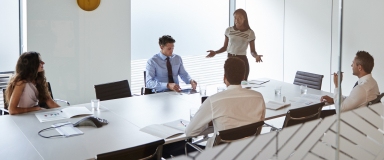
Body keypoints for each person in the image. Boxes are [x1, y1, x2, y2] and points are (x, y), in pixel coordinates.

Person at [185, 57, 266, 148]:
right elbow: (259, 124)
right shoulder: (258, 97)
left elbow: (190, 132)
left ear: (224, 78)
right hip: (248, 151)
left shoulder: (213, 101)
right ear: (243, 77)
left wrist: (210, 122)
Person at [206, 8, 263, 80]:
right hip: (230, 59)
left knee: (243, 84)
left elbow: (252, 51)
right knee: (229, 82)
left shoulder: (250, 33)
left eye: (239, 18)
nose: (236, 20)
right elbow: (225, 47)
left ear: (244, 18)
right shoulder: (229, 30)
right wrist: (215, 52)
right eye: (235, 17)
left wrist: (256, 56)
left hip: (242, 60)